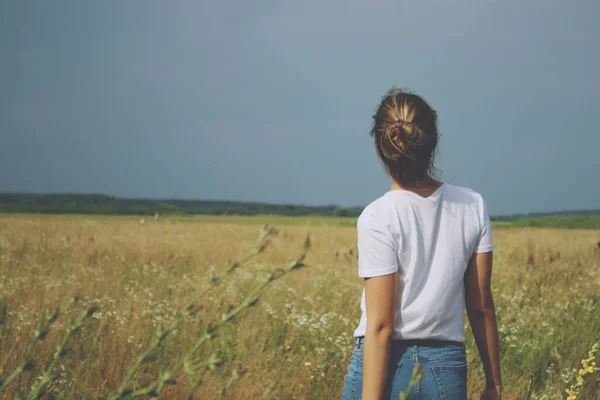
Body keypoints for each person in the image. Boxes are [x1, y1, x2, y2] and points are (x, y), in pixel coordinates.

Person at [341, 88, 502, 400]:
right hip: (446, 365)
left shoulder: (377, 216)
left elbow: (381, 327)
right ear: (432, 139)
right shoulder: (472, 204)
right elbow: (481, 305)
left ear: (380, 146)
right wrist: (493, 384)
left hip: (383, 365)